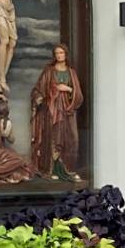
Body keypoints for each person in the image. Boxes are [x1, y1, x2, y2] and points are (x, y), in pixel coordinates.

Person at [29, 44, 84, 177]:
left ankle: (68, 169)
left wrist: (68, 89)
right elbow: (38, 89)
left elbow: (79, 96)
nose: (59, 55)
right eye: (57, 53)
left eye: (61, 53)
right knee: (53, 136)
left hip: (67, 110)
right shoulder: (49, 71)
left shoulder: (71, 72)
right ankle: (51, 169)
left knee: (71, 138)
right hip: (52, 109)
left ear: (66, 54)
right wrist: (40, 97)